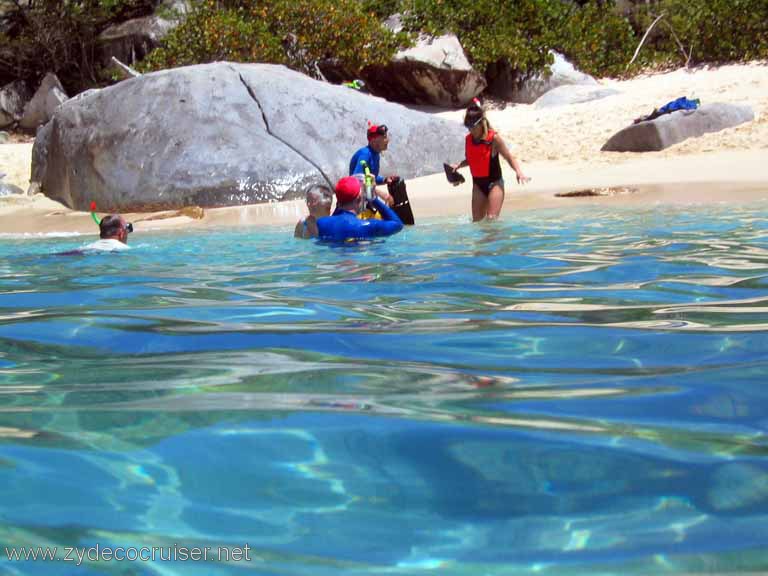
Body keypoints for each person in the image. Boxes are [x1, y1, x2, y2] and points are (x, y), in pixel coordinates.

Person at [450, 99, 530, 222]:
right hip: (478, 184)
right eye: (468, 127)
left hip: (494, 184)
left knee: (491, 220)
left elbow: (508, 157)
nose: (470, 130)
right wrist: (459, 165)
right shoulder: (468, 140)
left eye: (472, 126)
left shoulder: (493, 139)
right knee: (477, 222)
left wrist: (519, 172)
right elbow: (472, 159)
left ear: (481, 123)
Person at [317, 176, 403, 242]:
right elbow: (398, 224)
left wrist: (340, 201)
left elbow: (336, 220)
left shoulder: (320, 223)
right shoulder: (367, 226)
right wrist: (373, 198)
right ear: (359, 198)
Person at [349, 123, 395, 207]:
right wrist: (380, 193)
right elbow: (357, 180)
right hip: (355, 202)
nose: (388, 140)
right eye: (384, 137)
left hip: (367, 197)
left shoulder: (375, 154)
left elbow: (369, 176)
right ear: (374, 141)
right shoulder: (365, 154)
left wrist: (384, 180)